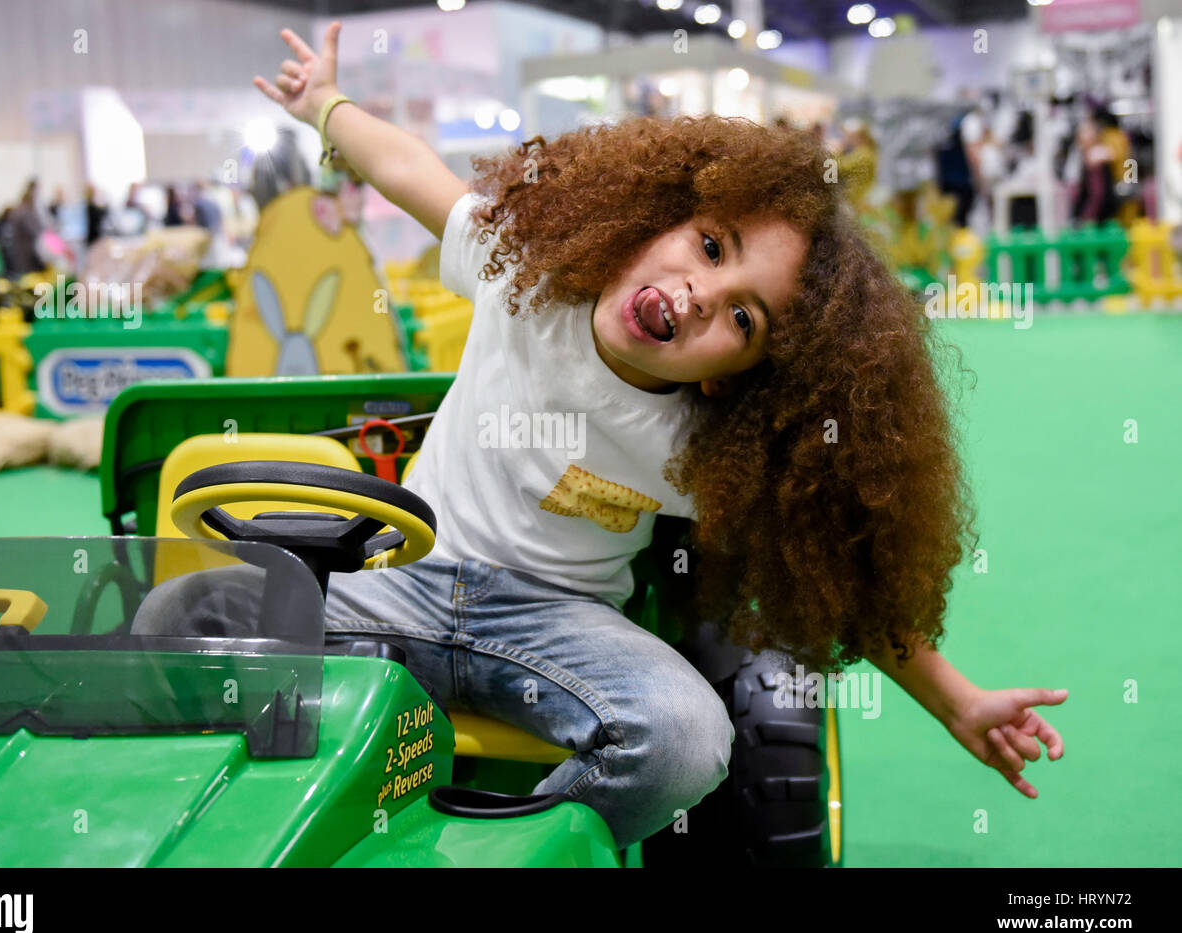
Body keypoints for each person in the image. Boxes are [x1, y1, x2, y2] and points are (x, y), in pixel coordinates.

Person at [136, 23, 1069, 852]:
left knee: (687, 738)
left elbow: (840, 574)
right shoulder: (524, 280)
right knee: (182, 617)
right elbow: (410, 169)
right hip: (405, 586)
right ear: (654, 220)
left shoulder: (706, 445)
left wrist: (958, 700)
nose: (704, 294)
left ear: (727, 376)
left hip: (555, 630)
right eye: (709, 246)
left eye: (743, 320)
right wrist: (324, 105)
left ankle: (526, 850)